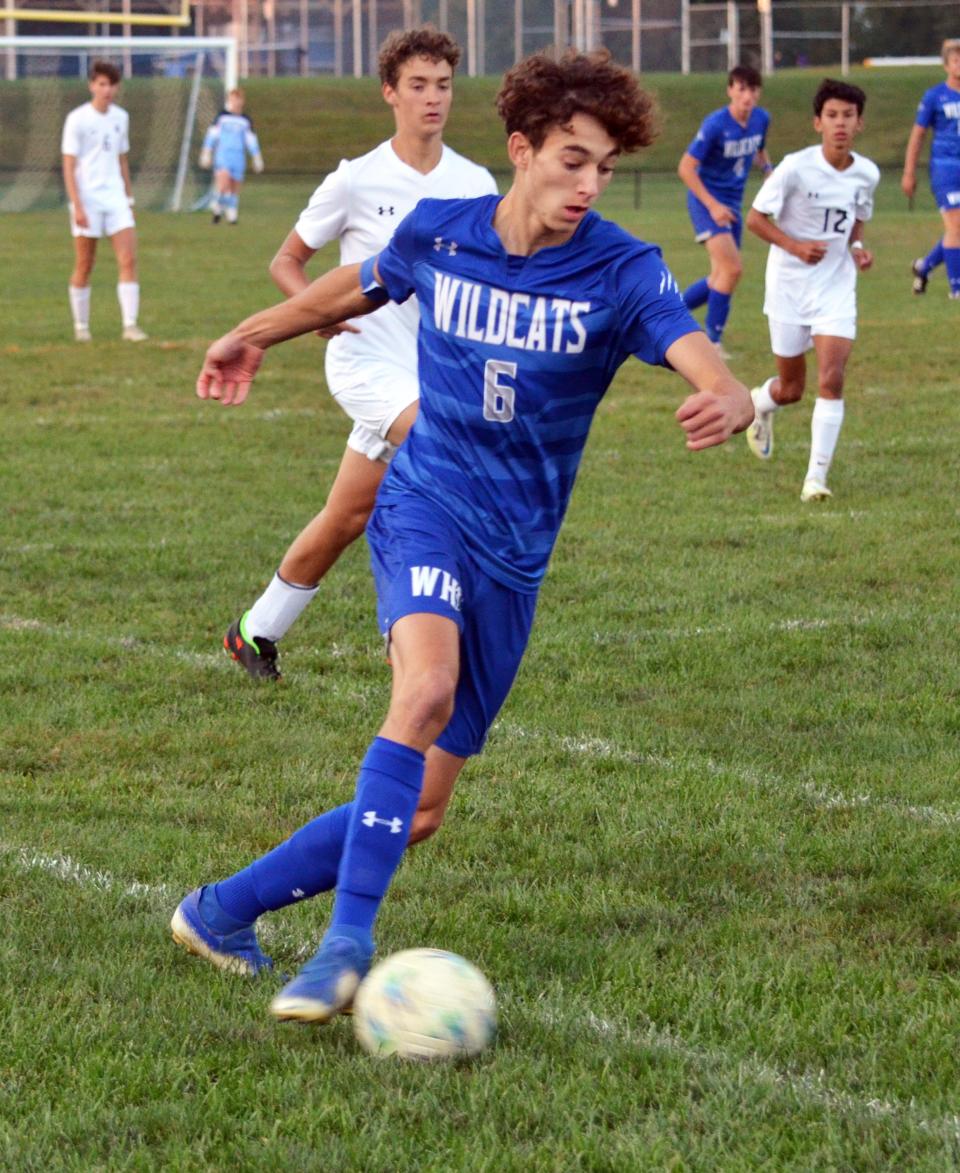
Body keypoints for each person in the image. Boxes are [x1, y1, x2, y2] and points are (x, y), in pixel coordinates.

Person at [171, 49, 753, 1025]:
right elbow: (349, 289)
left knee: (426, 811)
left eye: (604, 167)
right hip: (425, 503)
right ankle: (345, 945)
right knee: (424, 688)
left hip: (514, 559)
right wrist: (253, 332)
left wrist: (725, 389)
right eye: (571, 159)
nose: (588, 183)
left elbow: (688, 344)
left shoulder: (619, 267)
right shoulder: (442, 234)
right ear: (521, 150)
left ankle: (219, 911)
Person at [222, 27, 497, 681]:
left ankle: (254, 631)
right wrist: (316, 312)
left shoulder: (476, 181)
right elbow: (288, 260)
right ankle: (406, 627)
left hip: (436, 373)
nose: (433, 98)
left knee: (347, 513)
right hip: (364, 363)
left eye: (444, 85)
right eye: (418, 86)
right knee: (443, 462)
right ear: (389, 93)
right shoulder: (355, 179)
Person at [745, 79, 879, 503]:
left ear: (859, 123)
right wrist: (795, 246)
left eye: (848, 116)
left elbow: (857, 219)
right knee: (791, 389)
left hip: (835, 287)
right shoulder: (795, 168)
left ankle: (815, 480)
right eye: (832, 116)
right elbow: (755, 219)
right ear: (817, 122)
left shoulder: (868, 173)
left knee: (832, 378)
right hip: (788, 287)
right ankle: (760, 403)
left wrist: (856, 248)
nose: (840, 123)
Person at [677, 65, 772, 357]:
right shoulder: (715, 124)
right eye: (741, 89)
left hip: (732, 204)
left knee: (720, 275)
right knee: (732, 269)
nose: (748, 96)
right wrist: (713, 205)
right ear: (730, 90)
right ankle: (712, 343)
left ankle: (669, 313)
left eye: (753, 89)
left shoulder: (761, 119)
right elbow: (686, 168)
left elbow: (759, 150)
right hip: (707, 202)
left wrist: (768, 170)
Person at [61, 59, 146, 343]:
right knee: (85, 264)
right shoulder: (78, 119)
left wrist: (128, 196)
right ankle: (81, 326)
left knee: (129, 258)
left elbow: (121, 159)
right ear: (92, 86)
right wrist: (77, 205)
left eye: (111, 84)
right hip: (87, 200)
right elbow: (69, 165)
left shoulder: (121, 117)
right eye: (102, 84)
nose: (107, 90)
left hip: (116, 200)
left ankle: (130, 325)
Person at [901, 39, 960, 298]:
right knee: (957, 227)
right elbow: (918, 136)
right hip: (945, 169)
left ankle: (924, 267)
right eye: (956, 60)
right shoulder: (934, 96)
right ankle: (956, 289)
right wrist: (909, 172)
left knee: (956, 229)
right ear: (947, 66)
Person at [199, 88, 264, 225]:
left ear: (242, 101)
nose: (235, 102)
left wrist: (257, 157)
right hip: (223, 155)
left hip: (238, 157)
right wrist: (206, 152)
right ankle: (218, 209)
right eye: (232, 99)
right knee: (223, 184)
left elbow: (251, 140)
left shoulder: (245, 120)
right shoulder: (222, 117)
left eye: (238, 99)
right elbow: (212, 135)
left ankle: (231, 214)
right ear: (229, 100)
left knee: (234, 187)